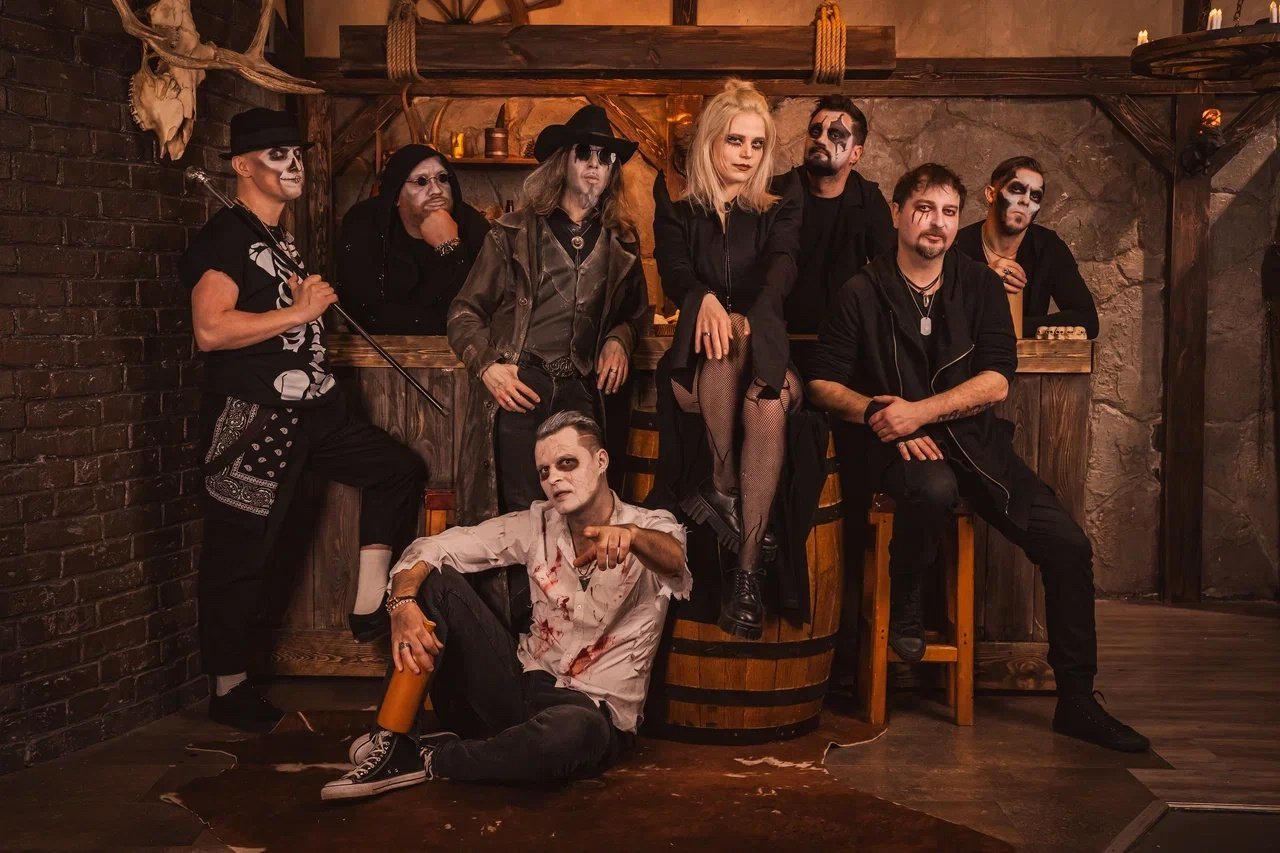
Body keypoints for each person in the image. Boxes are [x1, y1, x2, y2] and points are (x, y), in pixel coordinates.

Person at [805, 162, 1148, 753]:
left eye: (947, 212)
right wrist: (878, 414)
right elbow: (820, 383)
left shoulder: (979, 285)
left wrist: (919, 411)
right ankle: (906, 593)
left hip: (979, 446)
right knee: (932, 488)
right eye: (923, 209)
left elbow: (996, 379)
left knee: (1068, 543)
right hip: (897, 448)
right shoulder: (862, 289)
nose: (936, 223)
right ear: (897, 214)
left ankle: (1077, 700)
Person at [179, 108, 426, 733]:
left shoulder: (278, 239)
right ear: (242, 166)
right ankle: (228, 689)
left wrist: (303, 309)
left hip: (314, 413)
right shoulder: (225, 237)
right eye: (276, 155)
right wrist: (299, 313)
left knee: (397, 468)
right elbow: (210, 330)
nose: (294, 165)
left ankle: (369, 601)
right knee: (241, 555)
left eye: (296, 154)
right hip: (254, 423)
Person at [320, 412, 690, 800]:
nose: (554, 478)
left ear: (600, 461)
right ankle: (394, 742)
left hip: (590, 712)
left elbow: (674, 559)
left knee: (572, 735)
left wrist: (632, 537)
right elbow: (433, 547)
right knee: (433, 582)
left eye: (567, 463)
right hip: (520, 685)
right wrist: (401, 603)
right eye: (544, 471)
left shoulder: (651, 526)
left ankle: (433, 758)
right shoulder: (537, 523)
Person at [651, 79, 811, 640]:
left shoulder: (782, 200)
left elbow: (781, 272)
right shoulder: (675, 202)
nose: (746, 154)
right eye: (735, 141)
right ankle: (723, 487)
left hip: (767, 349)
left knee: (766, 404)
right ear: (710, 142)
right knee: (727, 340)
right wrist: (702, 300)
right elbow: (673, 269)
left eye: (756, 143)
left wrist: (745, 322)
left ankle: (744, 570)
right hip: (694, 366)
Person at [448, 105, 650, 527]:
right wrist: (488, 366)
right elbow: (464, 312)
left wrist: (620, 338)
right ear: (563, 161)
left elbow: (636, 315)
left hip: (583, 392)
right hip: (522, 387)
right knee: (519, 518)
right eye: (584, 153)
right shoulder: (512, 233)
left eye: (606, 157)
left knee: (584, 516)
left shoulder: (622, 243)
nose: (595, 165)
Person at [337, 144, 491, 334]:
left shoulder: (474, 225)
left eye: (443, 178)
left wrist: (450, 247)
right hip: (379, 348)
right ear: (396, 196)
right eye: (421, 181)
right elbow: (364, 312)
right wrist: (443, 322)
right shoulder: (365, 223)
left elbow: (482, 309)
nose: (436, 190)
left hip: (459, 348)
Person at [783, 95, 896, 335]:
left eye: (835, 134)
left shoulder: (868, 200)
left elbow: (889, 273)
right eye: (815, 131)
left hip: (843, 336)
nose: (820, 139)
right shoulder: (779, 192)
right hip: (779, 335)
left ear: (856, 153)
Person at [954, 156, 1099, 338]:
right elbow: (940, 321)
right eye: (1017, 189)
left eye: (1035, 196)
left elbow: (1087, 321)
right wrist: (982, 279)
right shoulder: (957, 246)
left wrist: (1012, 327)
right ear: (991, 194)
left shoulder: (1047, 247)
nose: (1026, 201)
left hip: (1028, 356)